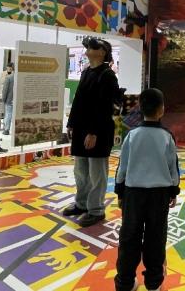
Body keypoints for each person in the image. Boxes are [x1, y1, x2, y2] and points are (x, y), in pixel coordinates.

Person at [114, 88, 180, 291]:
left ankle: (125, 282)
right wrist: (174, 191)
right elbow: (173, 167)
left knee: (129, 237)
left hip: (133, 194)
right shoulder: (167, 136)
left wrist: (120, 192)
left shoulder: (132, 135)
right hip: (159, 196)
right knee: (156, 238)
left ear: (140, 109)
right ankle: (153, 283)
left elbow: (122, 167)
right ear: (162, 110)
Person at [63, 37, 120, 227]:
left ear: (102, 52)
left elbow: (105, 107)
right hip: (81, 129)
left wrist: (94, 132)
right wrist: (71, 123)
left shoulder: (108, 76)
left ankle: (96, 210)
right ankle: (81, 203)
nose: (88, 49)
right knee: (81, 170)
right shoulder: (87, 72)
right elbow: (78, 99)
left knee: (97, 173)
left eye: (93, 47)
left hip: (98, 131)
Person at [2, 62, 14, 135]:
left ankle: (6, 129)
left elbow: (5, 90)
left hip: (9, 99)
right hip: (15, 99)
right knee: (10, 114)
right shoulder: (19, 77)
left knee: (8, 114)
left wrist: (3, 99)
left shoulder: (9, 77)